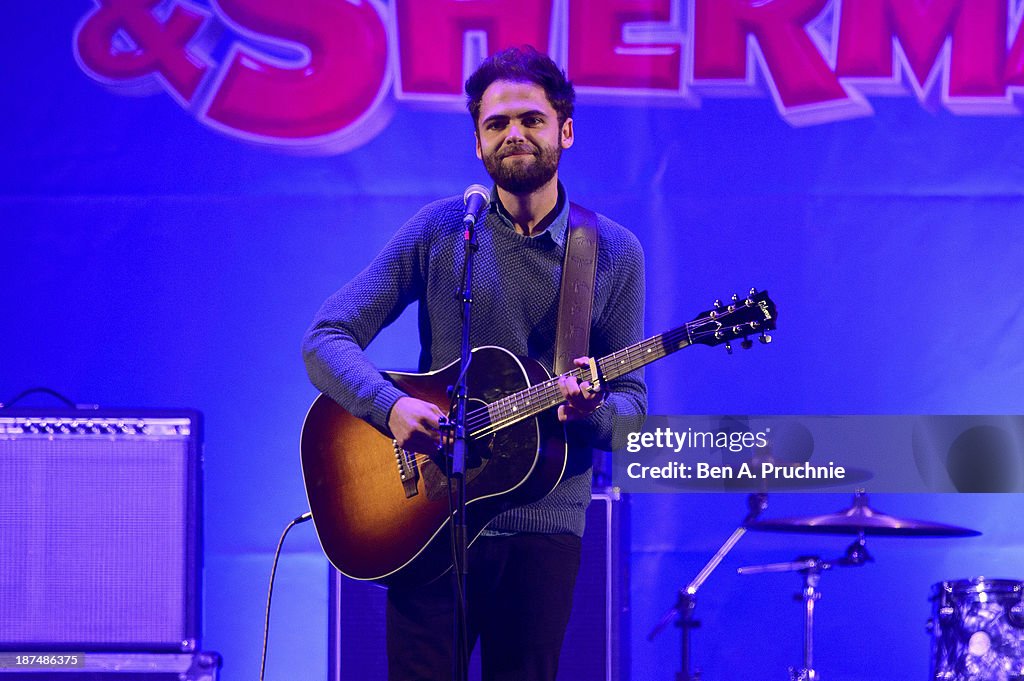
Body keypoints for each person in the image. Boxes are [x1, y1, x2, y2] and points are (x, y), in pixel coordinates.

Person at [303, 45, 646, 681]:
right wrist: (391, 406)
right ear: (478, 143)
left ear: (565, 131)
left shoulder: (612, 253)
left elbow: (630, 411)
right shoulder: (443, 231)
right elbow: (327, 336)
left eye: (532, 119)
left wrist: (593, 411)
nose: (514, 133)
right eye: (496, 123)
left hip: (545, 525)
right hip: (431, 519)